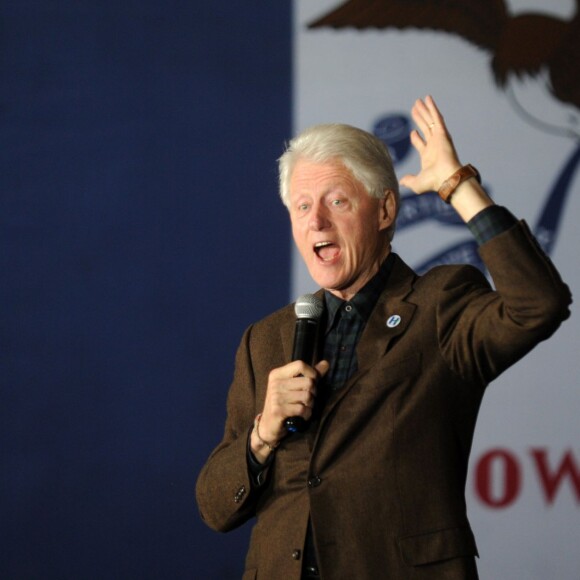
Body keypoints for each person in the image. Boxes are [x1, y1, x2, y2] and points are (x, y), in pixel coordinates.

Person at [196, 96, 571, 579]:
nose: (316, 222)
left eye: (337, 201)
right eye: (303, 206)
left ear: (385, 210)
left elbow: (539, 304)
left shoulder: (441, 304)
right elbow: (215, 507)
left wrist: (458, 186)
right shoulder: (266, 338)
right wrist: (262, 435)